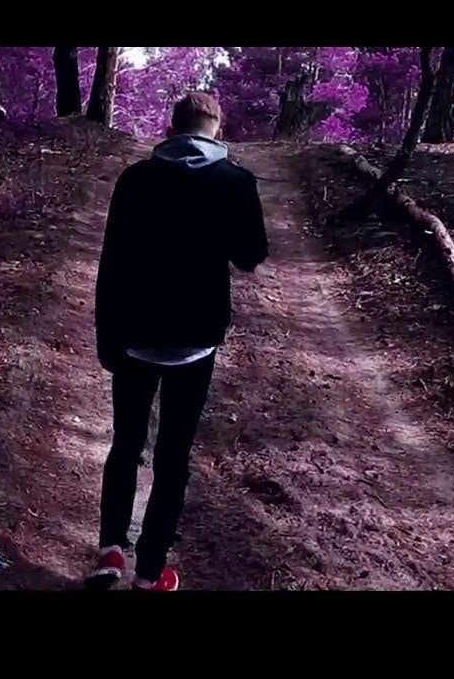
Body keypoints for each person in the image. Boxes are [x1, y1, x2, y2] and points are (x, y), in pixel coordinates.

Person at [87, 92, 269, 591]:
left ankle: (110, 552)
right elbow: (251, 255)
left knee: (126, 443)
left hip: (134, 333)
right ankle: (150, 572)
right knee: (173, 455)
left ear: (170, 129)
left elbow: (111, 263)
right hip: (196, 338)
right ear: (218, 129)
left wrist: (107, 338)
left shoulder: (134, 180)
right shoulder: (235, 181)